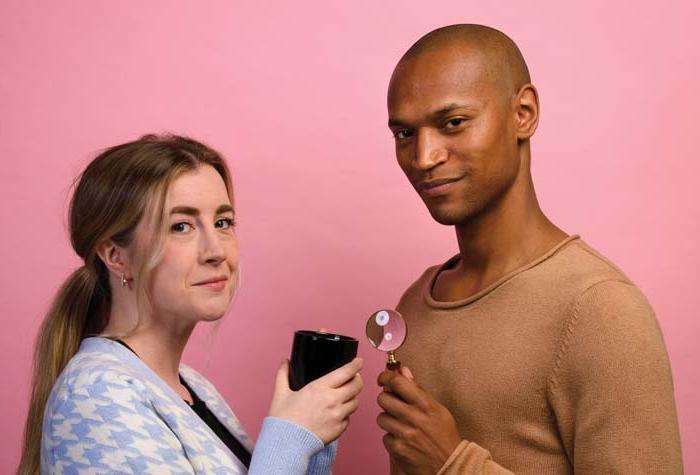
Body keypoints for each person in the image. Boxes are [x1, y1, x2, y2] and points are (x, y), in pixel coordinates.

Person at [375, 24, 682, 474]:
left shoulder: (600, 310)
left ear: (523, 113)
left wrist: (454, 463)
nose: (424, 157)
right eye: (404, 134)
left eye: (452, 123)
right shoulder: (415, 306)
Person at [19, 135, 363, 474]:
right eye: (181, 226)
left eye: (222, 222)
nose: (216, 251)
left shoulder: (193, 390)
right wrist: (288, 436)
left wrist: (314, 440)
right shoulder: (96, 394)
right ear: (115, 256)